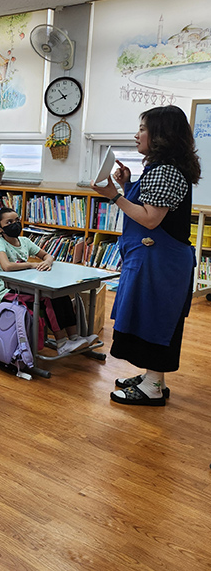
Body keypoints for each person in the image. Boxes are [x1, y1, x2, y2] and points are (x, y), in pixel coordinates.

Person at [92, 106, 200, 406]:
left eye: (142, 128)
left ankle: (153, 385)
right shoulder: (163, 167)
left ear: (160, 134)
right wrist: (127, 184)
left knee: (155, 319)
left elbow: (151, 219)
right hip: (154, 259)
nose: (137, 134)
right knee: (148, 317)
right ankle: (154, 377)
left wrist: (114, 195)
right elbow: (154, 208)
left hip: (160, 262)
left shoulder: (166, 170)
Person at [0, 207, 94, 356]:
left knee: (62, 295)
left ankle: (75, 338)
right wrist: (31, 264)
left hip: (24, 286)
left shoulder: (25, 241)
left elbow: (48, 256)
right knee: (48, 298)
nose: (15, 224)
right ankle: (61, 343)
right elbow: (6, 266)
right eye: (9, 222)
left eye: (17, 220)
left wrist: (48, 262)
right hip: (9, 292)